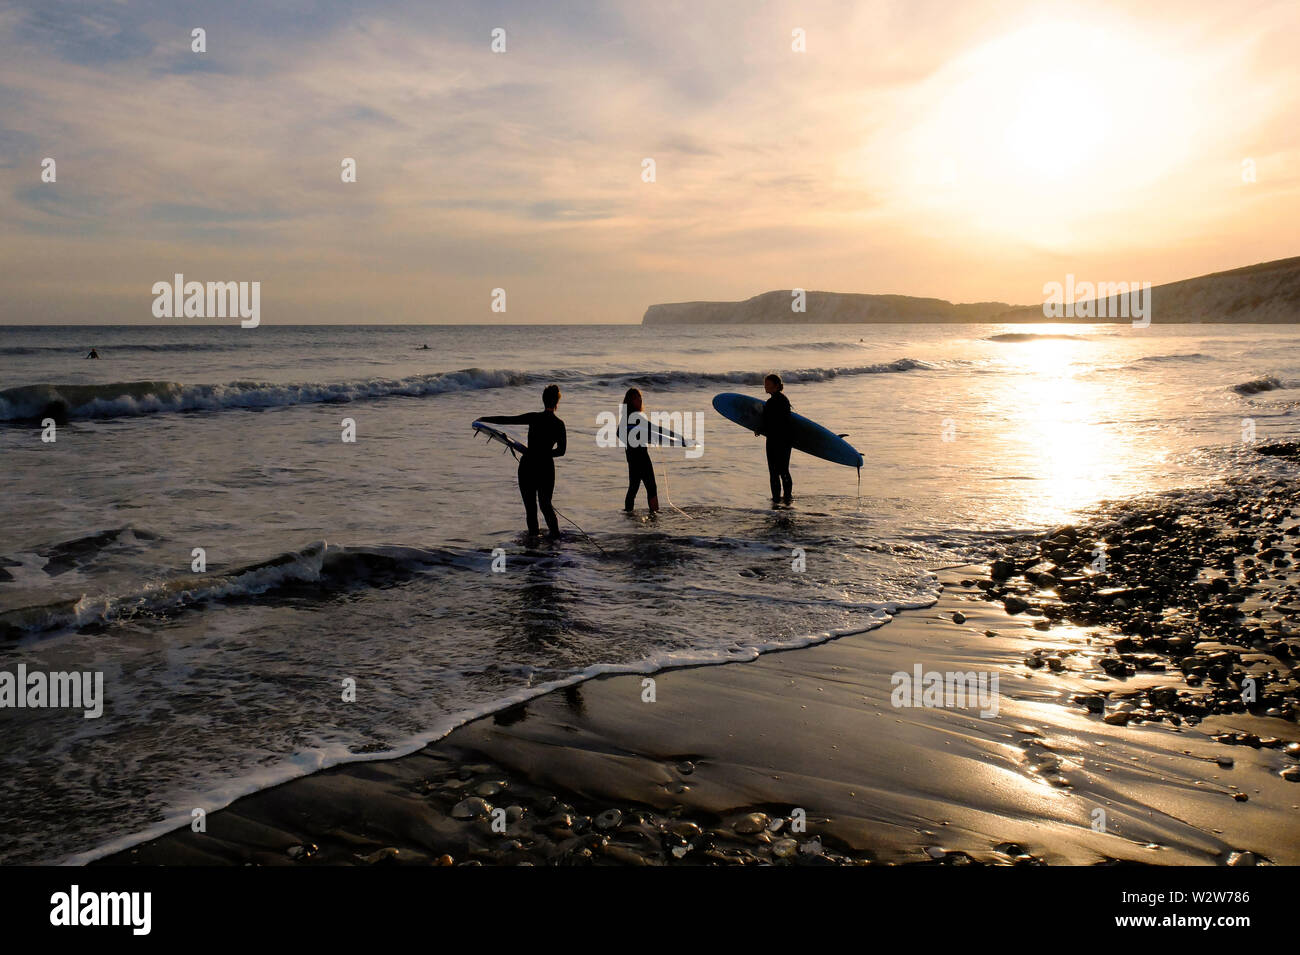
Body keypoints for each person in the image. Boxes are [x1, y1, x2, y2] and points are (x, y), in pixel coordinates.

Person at [479, 384, 567, 537]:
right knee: (546, 506)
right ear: (557, 402)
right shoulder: (559, 424)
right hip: (545, 467)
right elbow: (561, 451)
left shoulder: (534, 418)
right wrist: (544, 453)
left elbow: (507, 420)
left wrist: (484, 419)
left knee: (531, 509)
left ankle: (532, 545)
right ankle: (556, 542)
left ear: (543, 400)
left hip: (528, 465)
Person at [619, 388, 659, 514]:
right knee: (651, 487)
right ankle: (654, 515)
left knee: (633, 488)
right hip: (641, 457)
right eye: (637, 398)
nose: (640, 400)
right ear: (630, 401)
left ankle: (628, 514)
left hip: (632, 456)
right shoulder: (634, 416)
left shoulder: (628, 416)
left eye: (640, 397)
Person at [761, 373, 793, 504]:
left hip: (775, 440)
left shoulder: (772, 402)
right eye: (765, 384)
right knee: (783, 470)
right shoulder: (784, 399)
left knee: (774, 472)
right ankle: (787, 498)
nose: (765, 387)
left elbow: (769, 422)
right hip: (786, 439)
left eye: (768, 384)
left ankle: (776, 499)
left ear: (776, 385)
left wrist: (759, 429)